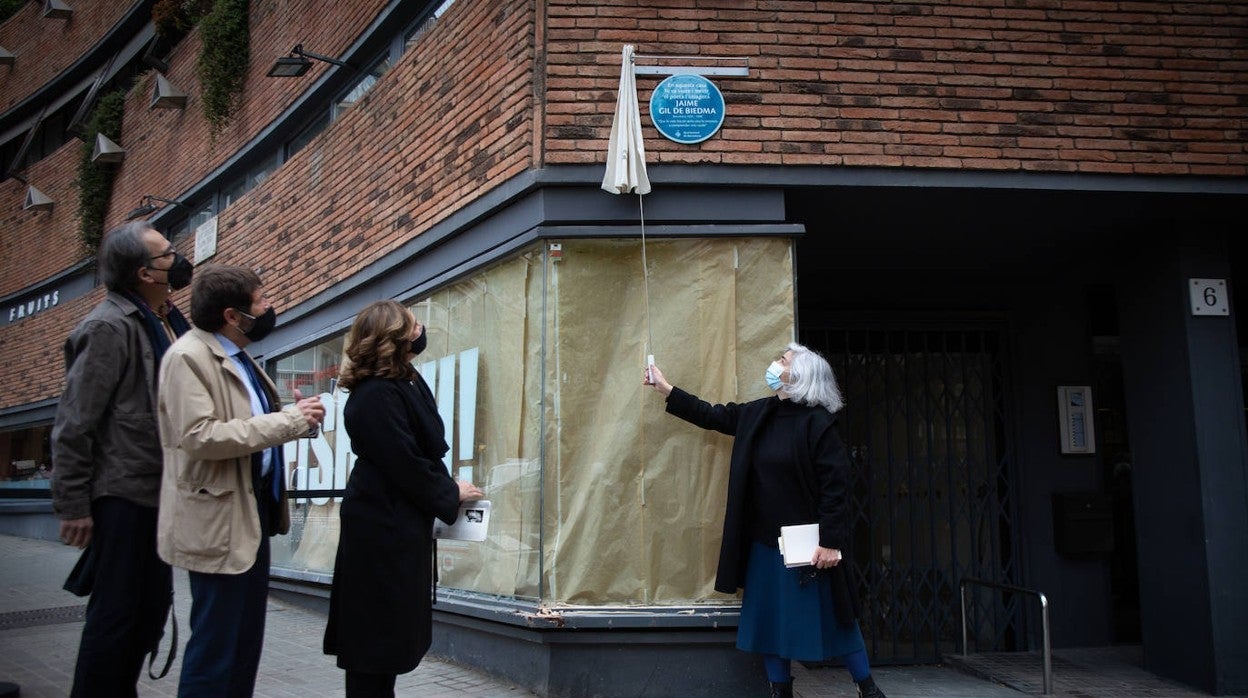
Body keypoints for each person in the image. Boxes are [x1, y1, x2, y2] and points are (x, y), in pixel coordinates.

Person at [646, 343, 886, 698]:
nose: (775, 364)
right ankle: (780, 691)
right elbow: (712, 415)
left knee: (837, 620)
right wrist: (667, 389)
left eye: (783, 361)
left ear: (799, 376)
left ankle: (867, 688)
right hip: (763, 545)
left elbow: (836, 489)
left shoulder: (819, 425)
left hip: (808, 550)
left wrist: (831, 542)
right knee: (769, 625)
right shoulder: (760, 413)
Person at [156, 264, 325, 697]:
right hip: (218, 524)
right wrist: (287, 422)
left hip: (252, 518)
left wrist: (300, 421)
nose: (270, 306)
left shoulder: (238, 355)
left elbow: (252, 425)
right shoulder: (186, 358)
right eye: (262, 300)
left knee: (244, 645)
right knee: (216, 649)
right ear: (233, 315)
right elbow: (199, 436)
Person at [50, 221, 193, 696]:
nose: (177, 258)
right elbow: (75, 422)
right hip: (124, 495)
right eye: (167, 254)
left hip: (160, 494)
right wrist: (74, 505)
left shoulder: (167, 319)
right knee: (116, 620)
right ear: (143, 274)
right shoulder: (108, 327)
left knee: (149, 614)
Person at [323, 300, 483, 697]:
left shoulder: (403, 380)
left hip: (394, 525)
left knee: (386, 640)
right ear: (393, 339)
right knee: (372, 644)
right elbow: (403, 461)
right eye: (413, 326)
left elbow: (418, 449)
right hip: (379, 532)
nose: (422, 329)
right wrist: (449, 492)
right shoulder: (376, 395)